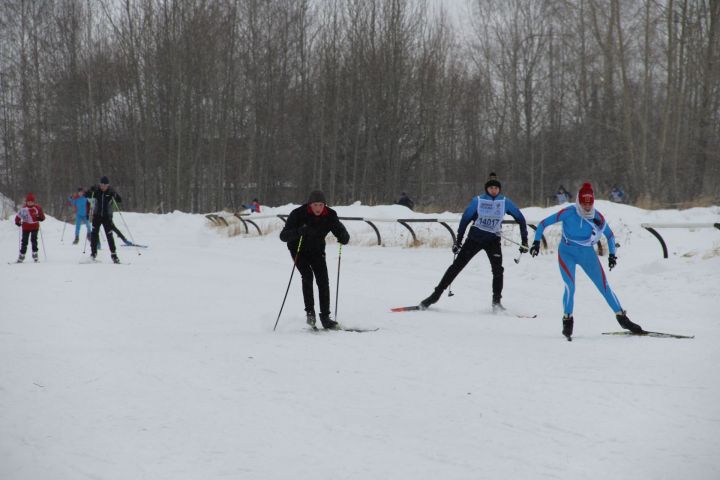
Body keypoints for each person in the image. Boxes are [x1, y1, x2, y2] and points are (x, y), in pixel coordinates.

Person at [529, 182, 643, 340]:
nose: (587, 207)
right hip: (566, 252)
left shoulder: (597, 217)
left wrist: (612, 255)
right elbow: (543, 224)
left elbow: (609, 236)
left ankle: (623, 319)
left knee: (604, 286)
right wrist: (536, 243)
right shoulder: (568, 212)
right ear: (578, 201)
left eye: (590, 203)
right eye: (584, 203)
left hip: (587, 254)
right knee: (570, 286)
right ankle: (567, 321)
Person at [418, 172, 528, 311]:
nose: (494, 190)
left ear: (499, 189)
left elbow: (521, 219)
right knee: (457, 266)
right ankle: (434, 296)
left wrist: (525, 240)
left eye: (496, 188)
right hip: (475, 239)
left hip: (493, 240)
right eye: (491, 188)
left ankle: (496, 302)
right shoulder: (478, 201)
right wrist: (458, 241)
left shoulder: (505, 202)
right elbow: (465, 220)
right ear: (486, 189)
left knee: (498, 270)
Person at [279, 190, 350, 329]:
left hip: (317, 250)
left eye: (321, 205)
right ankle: (310, 314)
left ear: (325, 205)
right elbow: (283, 236)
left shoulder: (330, 214)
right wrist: (299, 231)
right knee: (307, 276)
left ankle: (325, 317)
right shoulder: (298, 214)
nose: (318, 208)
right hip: (298, 250)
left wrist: (344, 236)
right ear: (310, 205)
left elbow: (339, 229)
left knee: (323, 280)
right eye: (315, 205)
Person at [86, 176, 122, 263]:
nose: (103, 187)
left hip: (107, 217)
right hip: (97, 216)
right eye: (101, 185)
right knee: (94, 235)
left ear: (108, 185)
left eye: (105, 185)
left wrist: (115, 194)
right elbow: (86, 195)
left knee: (109, 236)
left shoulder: (110, 192)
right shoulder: (97, 191)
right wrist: (90, 190)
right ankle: (93, 253)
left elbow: (119, 200)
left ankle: (114, 255)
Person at [14, 193, 46, 262]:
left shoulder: (37, 208)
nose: (30, 203)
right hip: (26, 227)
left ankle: (35, 253)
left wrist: (40, 218)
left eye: (31, 202)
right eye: (28, 202)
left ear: (34, 202)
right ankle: (22, 255)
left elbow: (42, 216)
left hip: (35, 227)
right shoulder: (23, 209)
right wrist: (17, 222)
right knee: (24, 241)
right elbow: (18, 216)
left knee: (34, 240)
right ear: (26, 202)